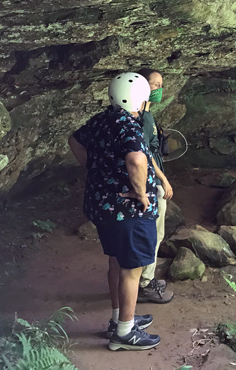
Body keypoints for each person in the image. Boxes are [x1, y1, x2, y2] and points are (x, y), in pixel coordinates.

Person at [68, 72, 161, 351]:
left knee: (117, 262)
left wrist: (95, 168)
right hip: (127, 211)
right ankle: (124, 333)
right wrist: (142, 191)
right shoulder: (129, 125)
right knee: (133, 268)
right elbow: (136, 158)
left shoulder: (102, 120)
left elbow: (74, 140)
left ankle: (120, 318)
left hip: (103, 205)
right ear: (142, 100)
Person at [135, 68, 175, 304]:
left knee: (155, 233)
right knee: (155, 233)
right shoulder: (142, 117)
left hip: (152, 180)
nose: (158, 89)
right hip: (152, 182)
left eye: (161, 84)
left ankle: (145, 279)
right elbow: (143, 152)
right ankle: (144, 284)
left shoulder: (147, 115)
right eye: (154, 84)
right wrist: (164, 179)